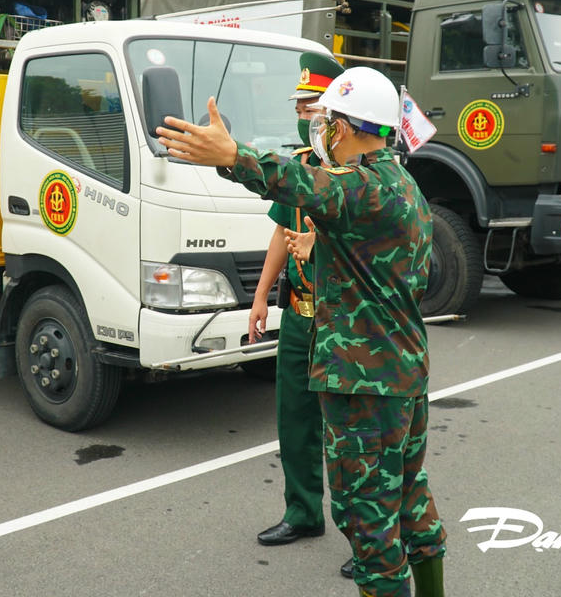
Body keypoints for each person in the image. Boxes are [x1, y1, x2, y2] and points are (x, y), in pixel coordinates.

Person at [157, 68, 445, 597]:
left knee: (368, 524)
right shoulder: (402, 183)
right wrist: (328, 248)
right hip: (402, 374)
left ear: (345, 127)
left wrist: (232, 155)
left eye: (328, 120)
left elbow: (297, 181)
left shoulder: (362, 187)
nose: (323, 129)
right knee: (410, 504)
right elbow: (395, 268)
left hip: (365, 388)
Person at [250, 53, 347, 573]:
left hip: (342, 322)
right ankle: (303, 512)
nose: (303, 115)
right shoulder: (300, 167)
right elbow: (281, 233)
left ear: (334, 114)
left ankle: (370, 539)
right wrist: (261, 294)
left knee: (350, 434)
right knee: (295, 420)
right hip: (298, 315)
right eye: (299, 107)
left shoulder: (358, 174)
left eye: (312, 107)